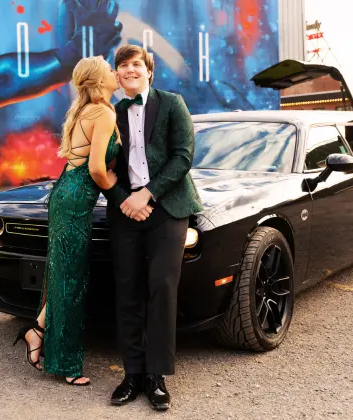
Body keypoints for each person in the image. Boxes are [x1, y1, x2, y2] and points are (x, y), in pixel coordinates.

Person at [13, 55, 142, 386]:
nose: (117, 72)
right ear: (100, 80)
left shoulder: (82, 110)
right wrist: (121, 195)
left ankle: (37, 332)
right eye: (110, 69)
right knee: (71, 280)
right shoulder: (102, 111)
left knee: (63, 272)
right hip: (74, 200)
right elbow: (97, 169)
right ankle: (66, 365)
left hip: (65, 193)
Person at [105, 45, 203, 411]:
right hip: (126, 212)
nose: (129, 70)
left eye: (136, 65)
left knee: (162, 285)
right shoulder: (110, 113)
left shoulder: (172, 103)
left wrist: (146, 195)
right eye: (122, 66)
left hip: (168, 207)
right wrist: (123, 200)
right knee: (127, 287)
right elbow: (102, 168)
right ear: (116, 75)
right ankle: (131, 374)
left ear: (149, 71)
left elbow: (183, 156)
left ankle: (156, 376)